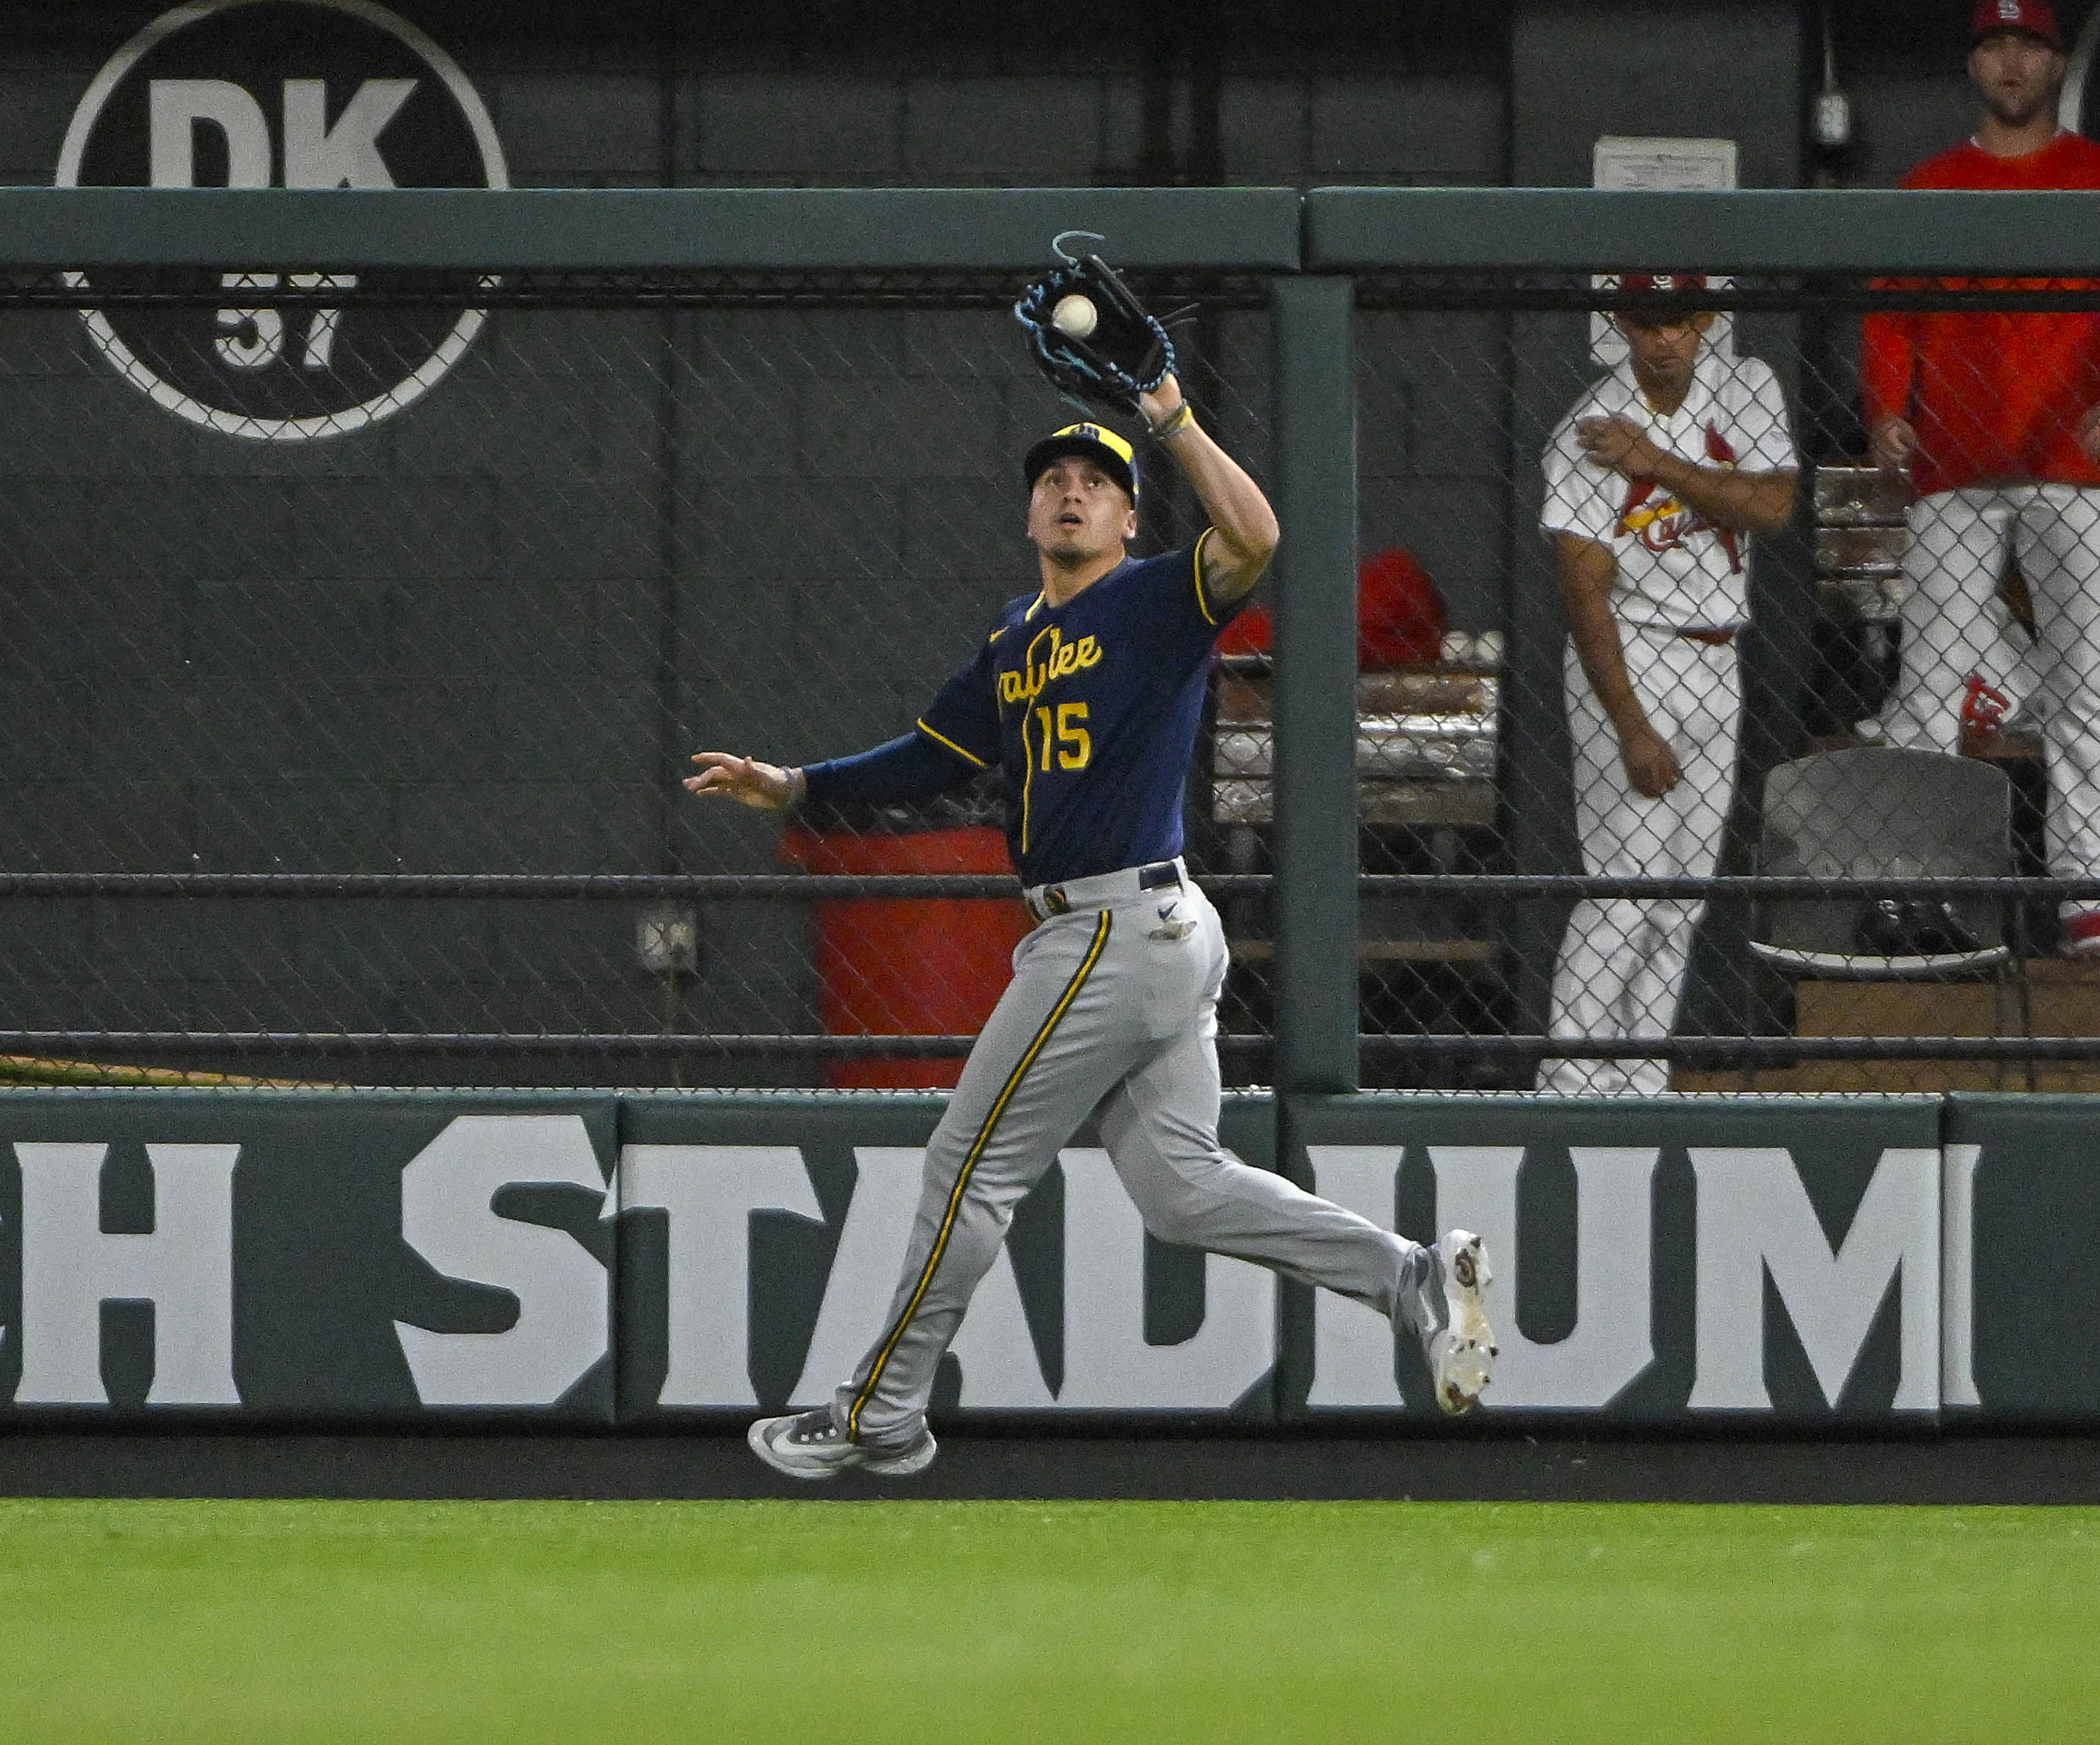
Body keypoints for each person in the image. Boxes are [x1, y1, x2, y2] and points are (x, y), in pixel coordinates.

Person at [688, 380, 1495, 1481]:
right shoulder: (1016, 638)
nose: (1073, 493)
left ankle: (880, 1410)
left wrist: (1172, 421)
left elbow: (1254, 534)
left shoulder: (1159, 598)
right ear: (1031, 516)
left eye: (1099, 484)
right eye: (1055, 481)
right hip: (1146, 927)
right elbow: (929, 754)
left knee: (965, 1165)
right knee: (1182, 1189)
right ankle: (1412, 1276)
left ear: (1127, 518)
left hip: (1110, 925)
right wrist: (796, 785)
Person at [1866, 0, 2100, 958]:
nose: (2011, 63)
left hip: (2072, 464)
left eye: (2030, 47)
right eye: (1994, 46)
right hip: (1953, 462)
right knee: (1930, 686)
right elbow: (1891, 317)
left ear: (2055, 64)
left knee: (2092, 684)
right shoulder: (1930, 186)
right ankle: (1919, 891)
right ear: (1973, 65)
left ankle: (2089, 893)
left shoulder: (2099, 177)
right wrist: (1887, 409)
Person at [1541, 275, 1796, 1093]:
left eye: (1678, 323)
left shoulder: (1744, 385)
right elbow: (1584, 592)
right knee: (1624, 888)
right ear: (1621, 322)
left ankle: (1639, 1077)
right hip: (1634, 653)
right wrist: (1630, 726)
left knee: (1682, 897)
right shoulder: (1583, 432)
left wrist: (1653, 462)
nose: (1661, 340)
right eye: (1646, 322)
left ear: (1704, 321)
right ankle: (1567, 1079)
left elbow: (1772, 505)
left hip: (1719, 656)